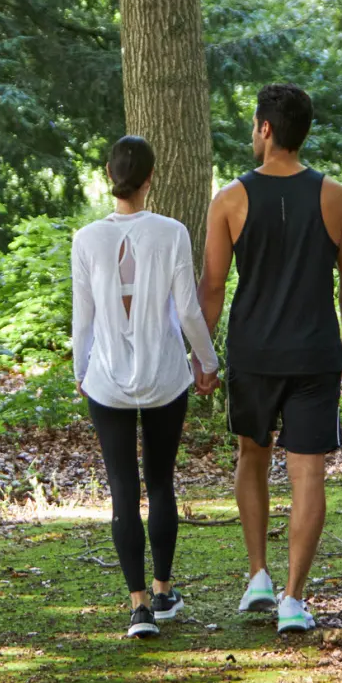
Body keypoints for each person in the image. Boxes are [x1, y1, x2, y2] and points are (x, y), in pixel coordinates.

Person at [200, 84, 342, 636]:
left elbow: (214, 287)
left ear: (266, 129)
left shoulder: (229, 200)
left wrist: (203, 356)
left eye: (253, 126)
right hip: (315, 350)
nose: (252, 134)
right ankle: (294, 597)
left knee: (252, 453)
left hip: (253, 352)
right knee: (309, 470)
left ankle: (258, 576)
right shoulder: (338, 197)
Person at [73, 135, 221, 639]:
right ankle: (162, 592)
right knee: (160, 483)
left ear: (107, 175)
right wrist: (208, 361)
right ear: (150, 178)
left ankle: (137, 606)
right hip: (164, 376)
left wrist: (80, 370)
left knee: (121, 487)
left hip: (107, 381)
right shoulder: (172, 232)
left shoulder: (86, 239)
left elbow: (83, 319)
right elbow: (186, 309)